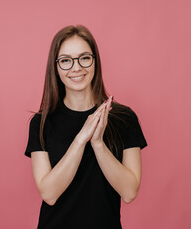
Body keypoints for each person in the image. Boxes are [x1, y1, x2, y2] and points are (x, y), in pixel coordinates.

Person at [24, 24, 148, 229]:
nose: (76, 67)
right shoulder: (41, 123)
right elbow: (49, 194)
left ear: (95, 61)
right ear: (55, 67)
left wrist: (98, 143)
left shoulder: (124, 118)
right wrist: (81, 139)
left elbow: (129, 192)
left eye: (84, 58)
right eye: (65, 60)